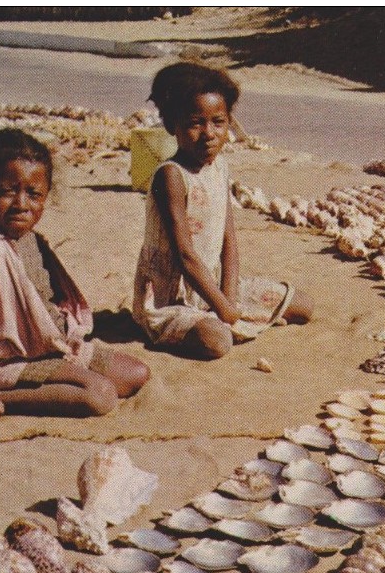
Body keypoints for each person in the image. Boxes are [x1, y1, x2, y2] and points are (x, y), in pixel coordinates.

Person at [0, 128, 149, 425]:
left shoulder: (30, 240)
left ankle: (54, 378)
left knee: (135, 375)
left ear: (46, 195)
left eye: (33, 193)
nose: (21, 203)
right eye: (6, 191)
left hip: (47, 348)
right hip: (2, 362)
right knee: (100, 395)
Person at [132, 62, 312, 359]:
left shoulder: (219, 167)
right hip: (171, 295)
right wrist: (225, 311)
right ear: (171, 125)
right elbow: (185, 255)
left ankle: (217, 315)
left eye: (218, 122)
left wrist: (227, 298)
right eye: (194, 123)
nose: (209, 134)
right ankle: (199, 323)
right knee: (217, 341)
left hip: (211, 285)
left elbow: (229, 238)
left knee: (303, 306)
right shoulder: (171, 176)